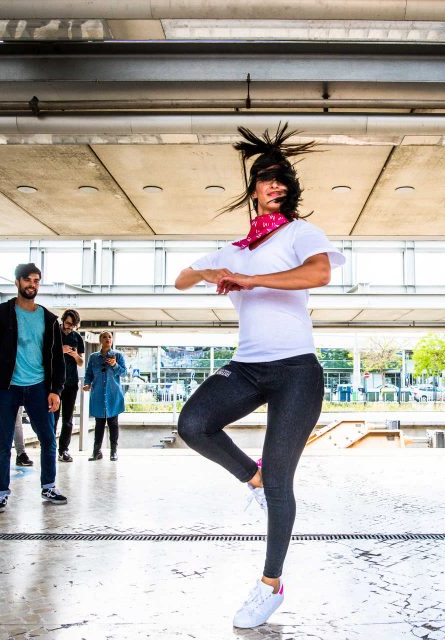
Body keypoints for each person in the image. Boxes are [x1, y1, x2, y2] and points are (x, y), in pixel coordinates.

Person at [173, 124, 344, 629]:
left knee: (283, 484)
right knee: (193, 424)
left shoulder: (300, 233)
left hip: (297, 371)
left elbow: (319, 273)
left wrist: (250, 279)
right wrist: (211, 272)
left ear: (290, 190)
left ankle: (271, 585)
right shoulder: (233, 249)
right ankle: (253, 476)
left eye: (283, 178)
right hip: (248, 366)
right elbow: (181, 279)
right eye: (267, 177)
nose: (276, 184)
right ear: (253, 189)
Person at [0, 262, 68, 513]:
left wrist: (55, 390)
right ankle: (0, 493)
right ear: (17, 282)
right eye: (27, 280)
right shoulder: (0, 313)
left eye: (36, 281)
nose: (32, 285)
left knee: (48, 439)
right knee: (3, 442)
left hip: (39, 387)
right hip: (7, 387)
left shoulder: (49, 319)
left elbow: (56, 359)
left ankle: (49, 486)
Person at [82, 330, 126, 461]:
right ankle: (96, 451)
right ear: (100, 340)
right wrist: (87, 384)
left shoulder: (118, 355)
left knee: (113, 423)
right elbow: (89, 373)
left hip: (113, 395)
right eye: (105, 337)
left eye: (110, 337)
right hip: (98, 394)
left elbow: (124, 373)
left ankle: (114, 451)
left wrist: (115, 365)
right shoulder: (93, 357)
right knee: (99, 424)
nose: (108, 339)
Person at [58, 309, 85, 462]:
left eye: (73, 325)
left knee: (68, 419)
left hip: (71, 383)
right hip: (55, 382)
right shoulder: (54, 333)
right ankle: (49, 448)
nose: (69, 327)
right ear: (63, 320)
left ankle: (64, 450)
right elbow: (44, 354)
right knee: (52, 417)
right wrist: (60, 350)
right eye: (68, 323)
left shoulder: (77, 338)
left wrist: (75, 355)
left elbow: (81, 362)